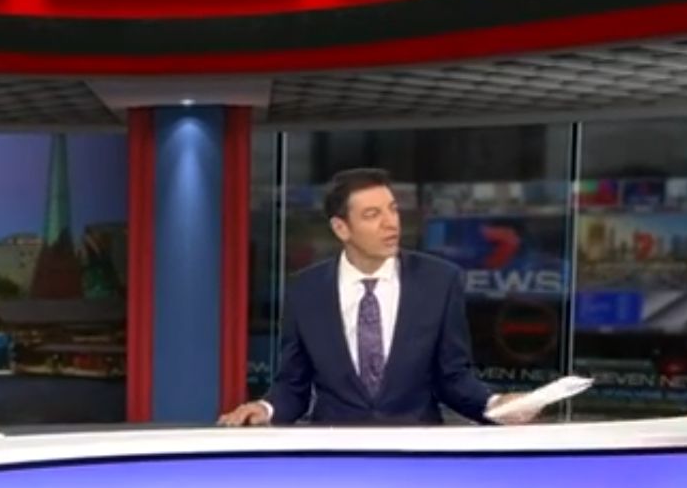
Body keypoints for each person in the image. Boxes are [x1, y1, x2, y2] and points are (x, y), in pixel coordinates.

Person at [217, 168, 533, 427]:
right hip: (334, 455)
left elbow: (453, 377)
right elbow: (293, 385)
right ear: (341, 228)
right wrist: (266, 409)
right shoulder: (305, 291)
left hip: (416, 455)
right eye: (372, 214)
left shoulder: (439, 281)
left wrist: (495, 405)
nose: (390, 223)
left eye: (392, 209)